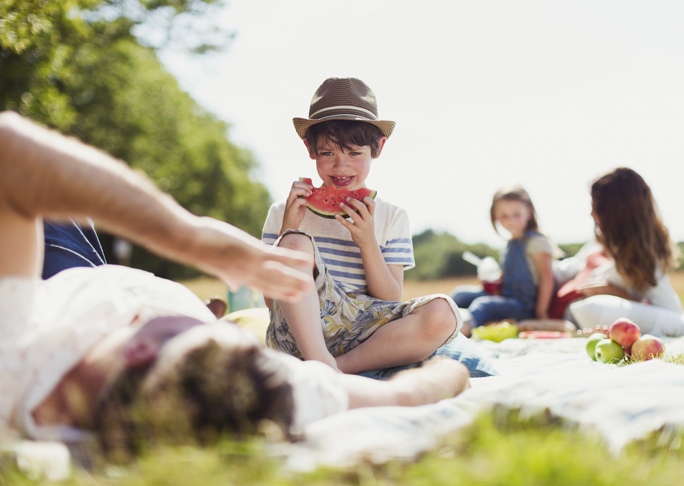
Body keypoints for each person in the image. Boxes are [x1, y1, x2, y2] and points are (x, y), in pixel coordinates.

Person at [0, 111, 470, 453]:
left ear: (140, 346)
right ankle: (215, 310)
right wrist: (450, 364)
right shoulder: (251, 389)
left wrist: (195, 238)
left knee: (55, 200)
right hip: (319, 333)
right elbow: (413, 392)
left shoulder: (14, 356)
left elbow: (9, 148)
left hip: (66, 283)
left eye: (193, 330)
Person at [261, 77, 461, 373]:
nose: (341, 166)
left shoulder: (392, 217)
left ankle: (334, 369)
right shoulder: (283, 211)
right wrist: (290, 229)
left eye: (355, 153)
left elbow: (389, 300)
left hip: (364, 335)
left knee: (444, 312)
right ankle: (318, 358)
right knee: (294, 243)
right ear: (310, 148)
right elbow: (269, 300)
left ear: (378, 147)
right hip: (300, 334)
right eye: (328, 153)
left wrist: (368, 243)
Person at [546, 167, 683, 335]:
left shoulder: (645, 262)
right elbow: (567, 268)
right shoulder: (598, 244)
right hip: (553, 303)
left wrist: (614, 293)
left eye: (594, 206)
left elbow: (673, 316)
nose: (591, 213)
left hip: (573, 313)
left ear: (613, 213)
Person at [450, 185, 556, 335]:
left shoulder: (536, 242)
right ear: (495, 216)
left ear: (529, 213)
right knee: (460, 294)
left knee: (482, 305)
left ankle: (458, 334)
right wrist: (494, 282)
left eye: (516, 214)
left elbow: (547, 278)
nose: (510, 220)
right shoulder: (508, 246)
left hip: (524, 306)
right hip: (505, 298)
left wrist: (541, 314)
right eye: (503, 215)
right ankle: (438, 323)